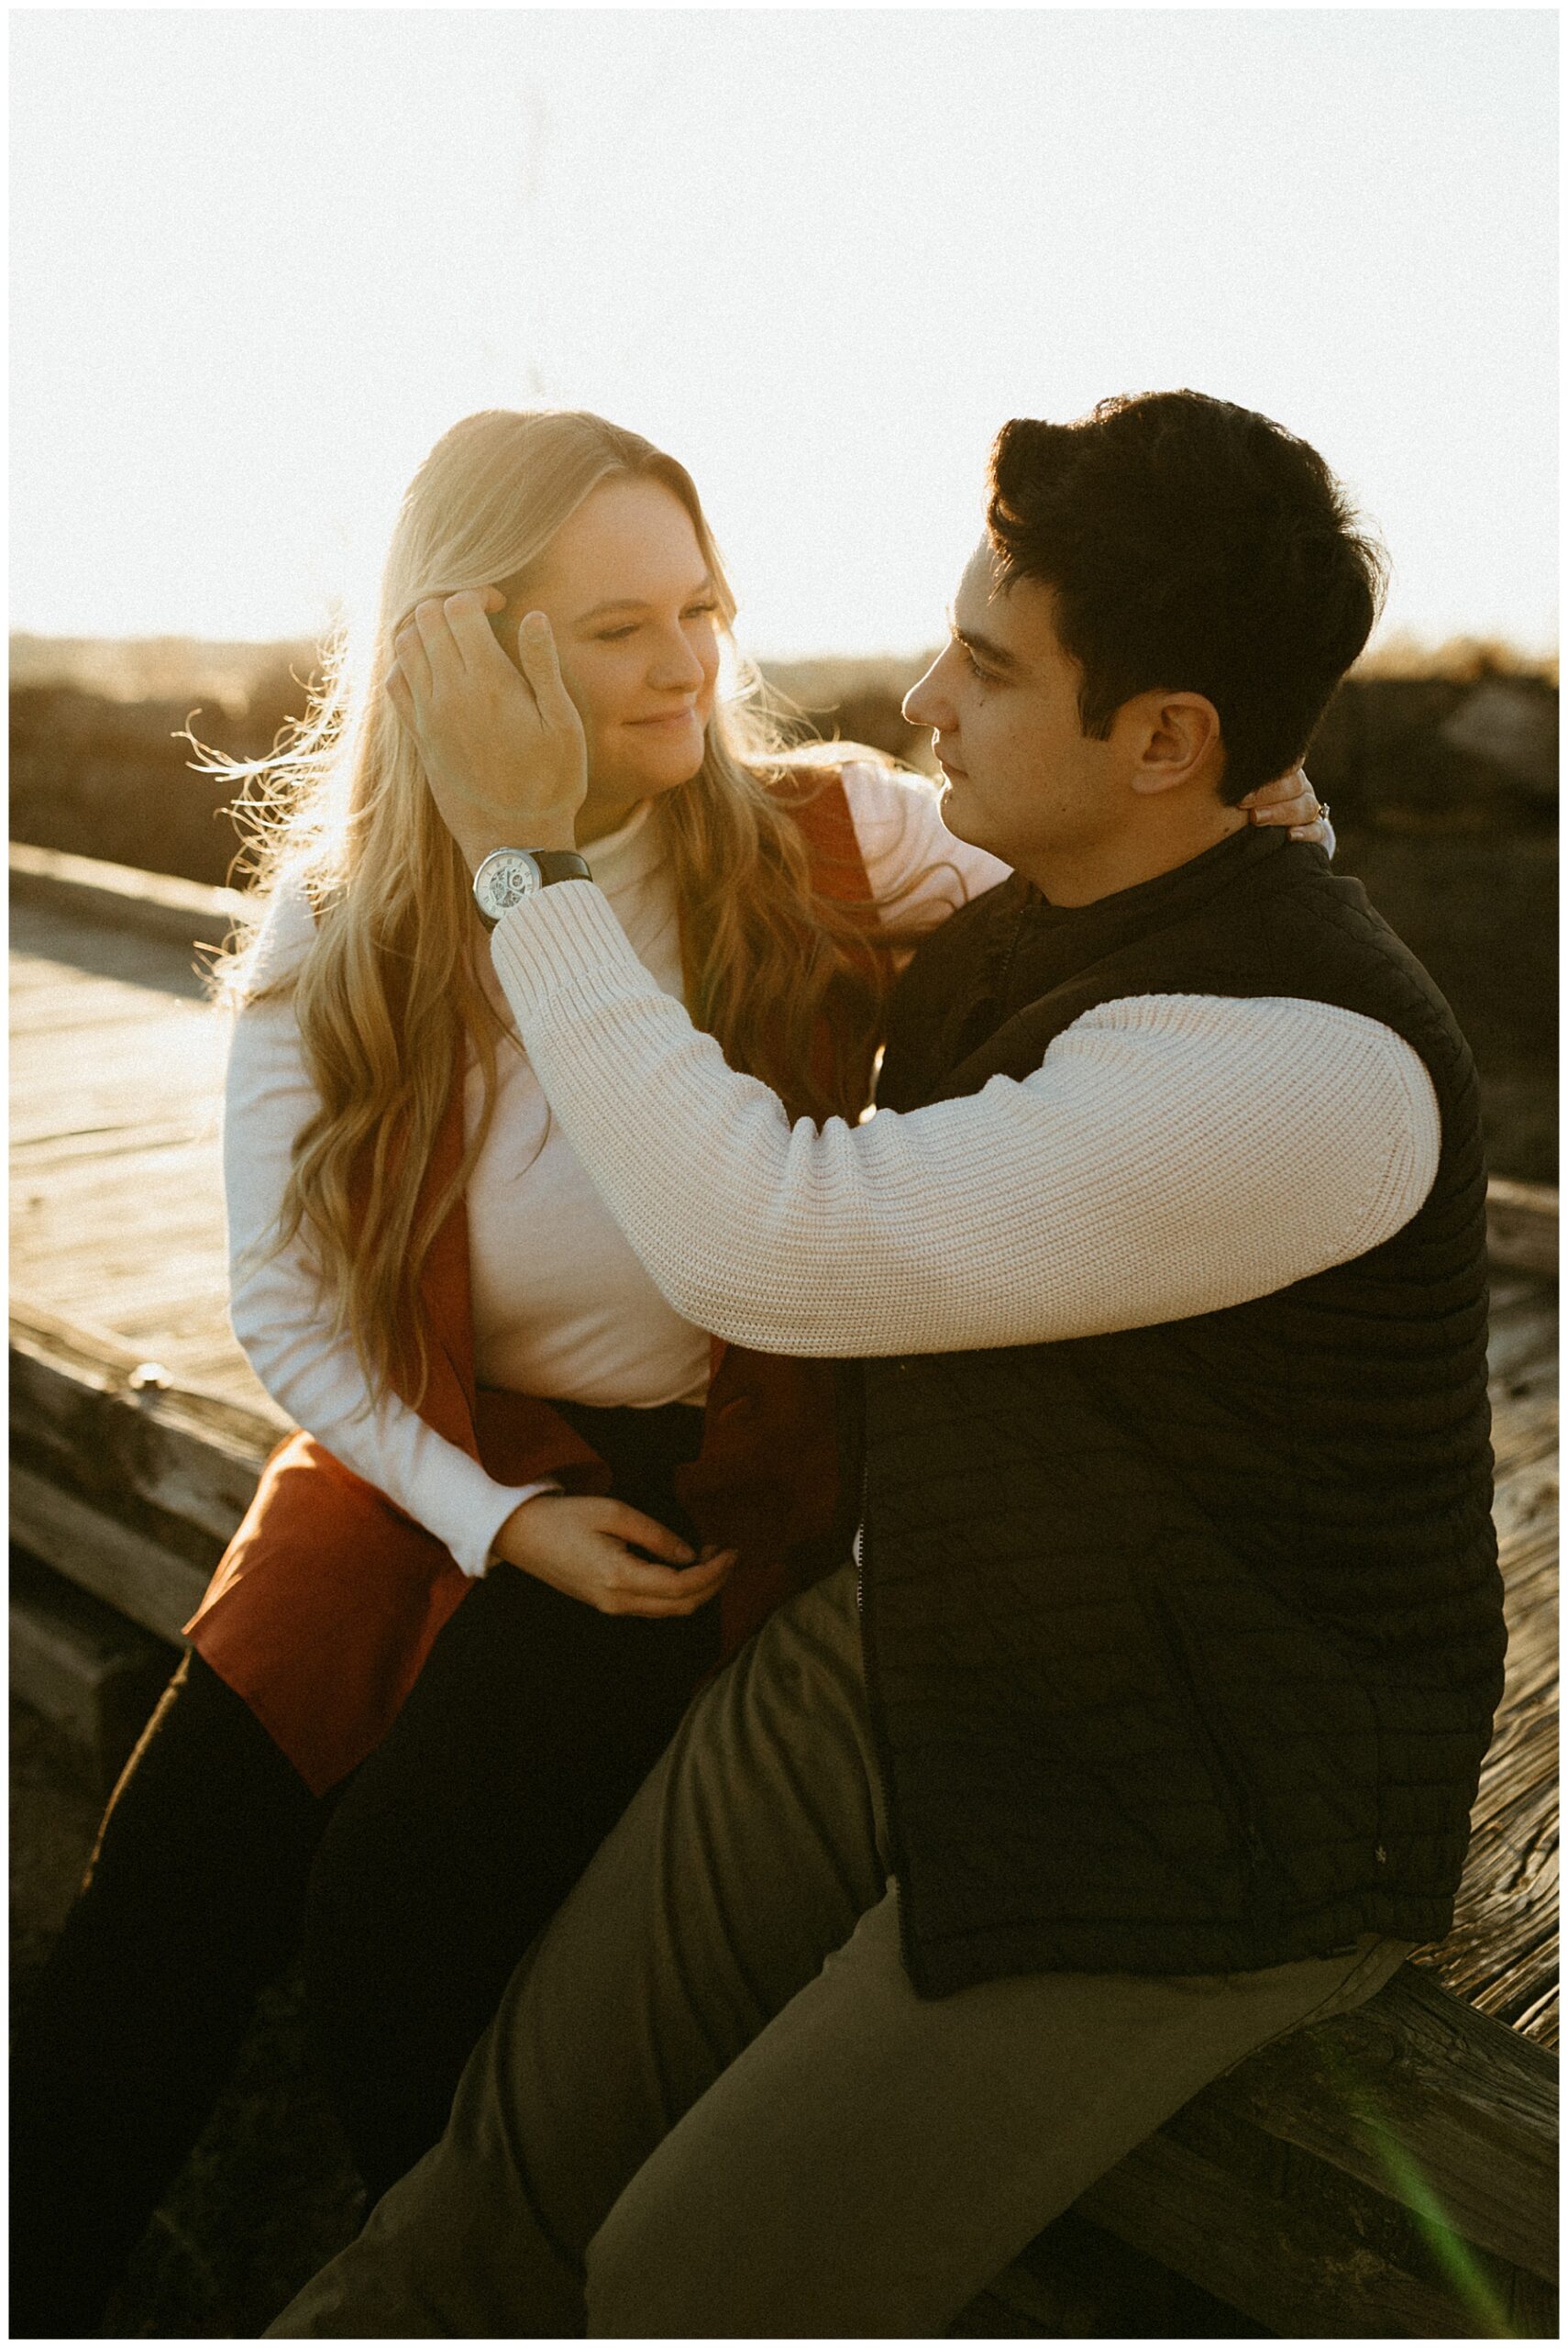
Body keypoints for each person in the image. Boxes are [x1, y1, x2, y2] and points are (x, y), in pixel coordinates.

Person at [6, 401, 1335, 2338]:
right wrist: (487, 1515)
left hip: (694, 1480)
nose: (689, 661)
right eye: (617, 624)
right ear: (460, 648)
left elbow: (1141, 902)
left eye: (701, 605)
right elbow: (286, 1308)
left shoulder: (821, 836)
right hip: (428, 1447)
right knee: (166, 1894)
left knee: (396, 1909)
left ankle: (447, 2264)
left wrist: (1275, 827)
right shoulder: (341, 913)